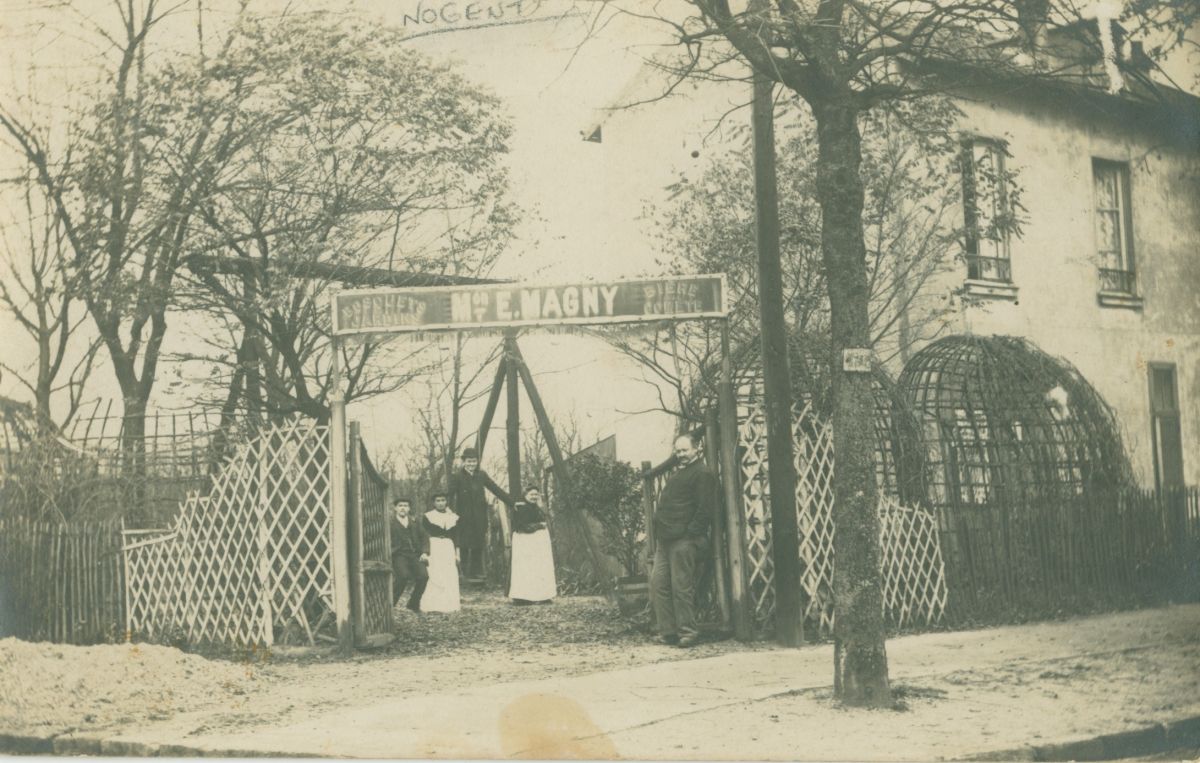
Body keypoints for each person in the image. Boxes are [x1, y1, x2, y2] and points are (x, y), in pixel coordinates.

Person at [651, 433, 718, 647]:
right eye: (678, 451)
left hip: (683, 540)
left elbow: (705, 508)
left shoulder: (702, 473)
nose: (680, 454)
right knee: (659, 583)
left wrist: (690, 534)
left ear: (696, 449)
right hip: (665, 540)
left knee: (681, 587)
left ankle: (688, 632)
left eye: (685, 450)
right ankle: (668, 632)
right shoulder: (680, 472)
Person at [447, 446, 513, 581]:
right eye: (469, 461)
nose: (471, 464)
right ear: (464, 462)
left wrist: (511, 503)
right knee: (464, 544)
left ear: (477, 462)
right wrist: (447, 509)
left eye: (474, 461)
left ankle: (475, 573)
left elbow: (495, 489)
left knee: (478, 543)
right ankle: (463, 573)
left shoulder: (481, 475)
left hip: (479, 516)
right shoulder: (457, 477)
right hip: (463, 517)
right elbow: (450, 494)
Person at [508, 486, 556, 605]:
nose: (534, 497)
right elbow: (522, 527)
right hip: (526, 543)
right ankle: (524, 597)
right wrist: (539, 526)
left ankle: (541, 595)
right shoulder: (521, 508)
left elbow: (545, 518)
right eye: (531, 494)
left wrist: (541, 507)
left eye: (536, 494)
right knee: (527, 569)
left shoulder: (537, 508)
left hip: (536, 544)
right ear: (525, 495)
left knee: (539, 568)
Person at [420, 493, 461, 613]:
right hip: (434, 545)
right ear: (434, 503)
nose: (440, 503)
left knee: (449, 574)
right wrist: (425, 552)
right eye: (438, 500)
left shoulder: (453, 517)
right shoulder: (428, 516)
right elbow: (423, 535)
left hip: (448, 546)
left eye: (443, 500)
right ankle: (432, 605)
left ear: (446, 502)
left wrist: (457, 554)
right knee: (434, 572)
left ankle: (449, 605)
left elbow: (456, 537)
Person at [390, 498, 429, 612]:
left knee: (424, 576)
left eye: (406, 506)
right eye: (400, 505)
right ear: (395, 508)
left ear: (409, 508)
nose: (403, 508)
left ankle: (413, 604)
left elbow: (424, 537)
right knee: (403, 577)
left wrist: (425, 552)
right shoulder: (390, 523)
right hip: (399, 555)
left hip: (414, 554)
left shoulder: (415, 522)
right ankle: (390, 604)